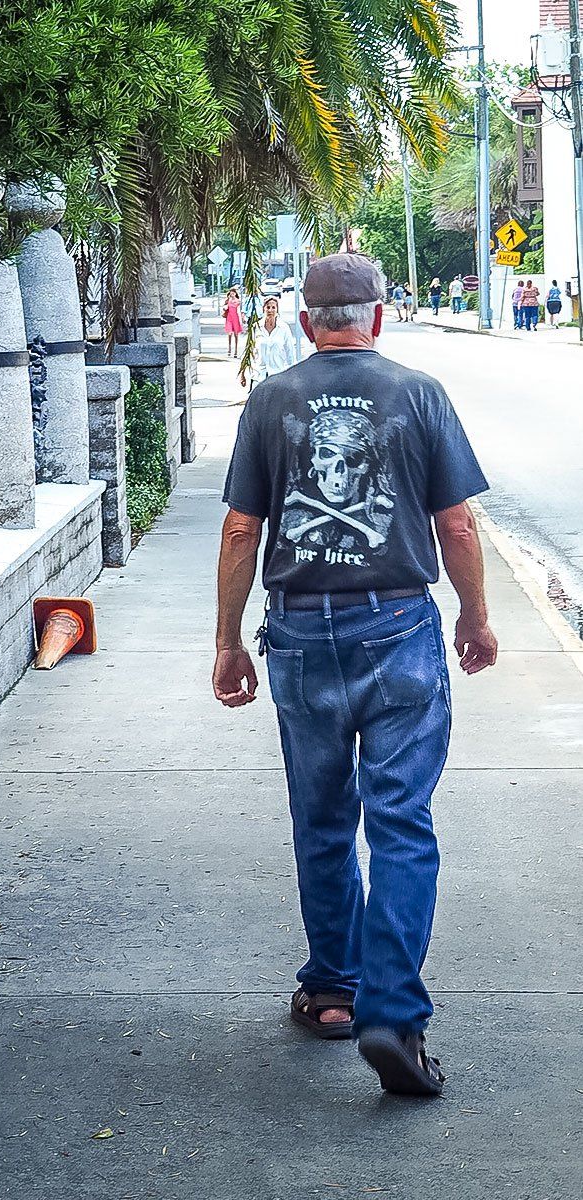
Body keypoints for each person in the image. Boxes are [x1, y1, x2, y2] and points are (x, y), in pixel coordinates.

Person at [214, 253, 497, 1098]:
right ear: (379, 315)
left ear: (307, 323)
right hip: (399, 625)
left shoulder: (272, 398)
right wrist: (473, 617)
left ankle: (334, 993)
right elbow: (458, 523)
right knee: (402, 821)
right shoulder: (419, 392)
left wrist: (228, 641)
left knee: (324, 818)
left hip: (301, 631)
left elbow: (239, 531)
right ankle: (393, 1012)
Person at [241, 296, 296, 389]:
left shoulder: (284, 328)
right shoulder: (256, 327)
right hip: (258, 376)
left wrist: (293, 376)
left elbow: (290, 353)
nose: (270, 310)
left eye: (273, 307)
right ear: (263, 309)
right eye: (268, 307)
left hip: (277, 375)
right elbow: (248, 352)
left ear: (277, 309)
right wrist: (243, 373)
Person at [224, 287, 244, 357]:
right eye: (231, 293)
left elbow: (240, 311)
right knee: (229, 334)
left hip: (235, 318)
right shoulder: (228, 300)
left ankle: (235, 350)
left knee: (236, 334)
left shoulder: (238, 301)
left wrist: (242, 318)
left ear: (235, 293)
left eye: (233, 293)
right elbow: (224, 307)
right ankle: (229, 348)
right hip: (229, 318)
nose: (232, 294)